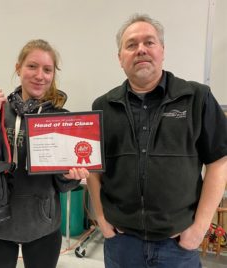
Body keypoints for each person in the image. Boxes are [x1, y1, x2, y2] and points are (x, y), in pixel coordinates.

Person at [87, 14, 227, 268]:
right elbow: (94, 170)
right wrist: (101, 219)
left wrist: (200, 228)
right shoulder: (102, 107)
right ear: (120, 58)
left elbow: (219, 162)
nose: (141, 50)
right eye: (131, 45)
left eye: (149, 42)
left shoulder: (197, 98)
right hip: (121, 243)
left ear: (162, 50)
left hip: (177, 246)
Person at [0, 39, 89, 268]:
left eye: (47, 69)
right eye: (32, 66)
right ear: (18, 68)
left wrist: (71, 176)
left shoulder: (62, 119)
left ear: (53, 74)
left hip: (43, 227)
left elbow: (62, 185)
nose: (40, 75)